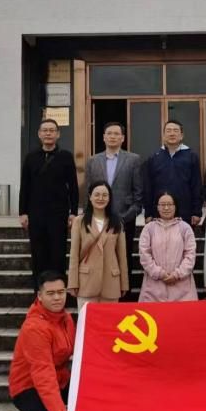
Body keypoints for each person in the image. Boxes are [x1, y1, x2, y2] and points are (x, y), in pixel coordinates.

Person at [8, 271, 82, 411]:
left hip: (59, 379)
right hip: (27, 386)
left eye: (61, 292)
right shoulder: (34, 328)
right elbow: (43, 372)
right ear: (39, 296)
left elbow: (78, 349)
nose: (57, 297)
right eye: (50, 293)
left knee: (83, 395)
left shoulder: (66, 318)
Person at [19, 118, 79, 292]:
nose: (48, 133)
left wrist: (73, 212)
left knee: (58, 253)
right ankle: (39, 291)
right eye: (45, 130)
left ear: (58, 134)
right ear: (39, 134)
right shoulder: (31, 157)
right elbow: (25, 186)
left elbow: (73, 187)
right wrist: (23, 212)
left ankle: (59, 290)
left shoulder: (65, 157)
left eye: (52, 130)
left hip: (59, 213)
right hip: (36, 213)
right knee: (38, 253)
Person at [85, 121, 142, 298]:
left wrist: (127, 216)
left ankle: (124, 294)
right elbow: (89, 191)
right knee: (98, 256)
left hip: (124, 218)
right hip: (98, 219)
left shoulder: (133, 160)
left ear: (123, 138)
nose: (113, 137)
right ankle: (102, 292)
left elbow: (138, 193)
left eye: (117, 134)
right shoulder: (93, 161)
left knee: (124, 256)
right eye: (109, 133)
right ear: (103, 137)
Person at [67, 180, 129, 309]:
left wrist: (124, 283)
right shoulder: (79, 222)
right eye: (97, 195)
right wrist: (73, 282)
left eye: (105, 195)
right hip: (86, 282)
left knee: (109, 321)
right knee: (87, 320)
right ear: (90, 197)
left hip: (111, 282)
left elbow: (122, 257)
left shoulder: (117, 222)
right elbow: (74, 255)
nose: (101, 198)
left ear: (109, 198)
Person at [138, 192, 198, 302]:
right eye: (162, 204)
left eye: (170, 204)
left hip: (183, 289)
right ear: (157, 207)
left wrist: (177, 274)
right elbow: (144, 254)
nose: (166, 208)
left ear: (175, 206)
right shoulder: (149, 228)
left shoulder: (185, 228)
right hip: (153, 289)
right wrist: (159, 273)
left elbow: (190, 255)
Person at [143, 119, 202, 225]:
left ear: (181, 135)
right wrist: (148, 213)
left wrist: (197, 211)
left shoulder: (191, 156)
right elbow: (148, 187)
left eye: (175, 130)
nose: (172, 133)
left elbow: (196, 185)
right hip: (159, 212)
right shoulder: (154, 158)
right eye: (168, 131)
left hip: (185, 212)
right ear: (163, 135)